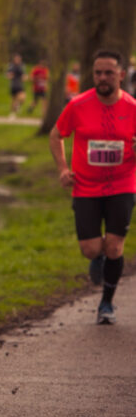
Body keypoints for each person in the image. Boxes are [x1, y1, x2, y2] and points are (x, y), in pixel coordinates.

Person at [49, 49, 136, 325]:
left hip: (123, 184)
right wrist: (63, 168)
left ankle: (106, 304)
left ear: (121, 75)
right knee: (90, 249)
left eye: (109, 72)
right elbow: (56, 134)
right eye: (98, 72)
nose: (102, 77)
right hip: (85, 186)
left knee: (114, 246)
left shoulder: (133, 108)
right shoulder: (78, 105)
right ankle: (96, 258)